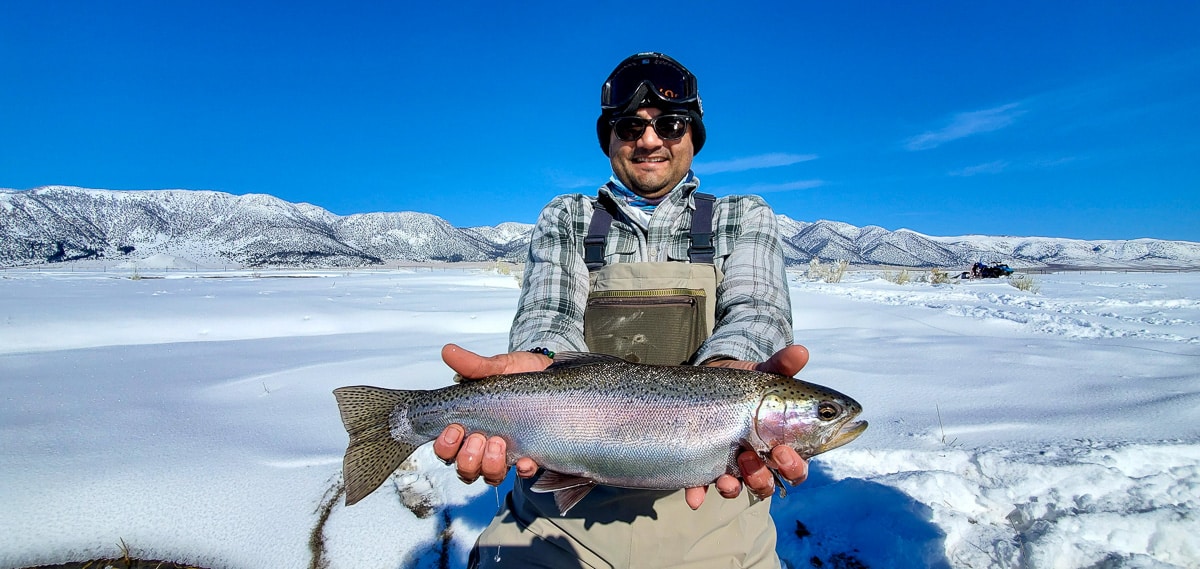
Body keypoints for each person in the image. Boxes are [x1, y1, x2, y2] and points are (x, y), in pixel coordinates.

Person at [434, 52, 810, 568]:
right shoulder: (568, 217)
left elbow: (757, 314)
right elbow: (549, 316)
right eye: (630, 126)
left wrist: (725, 377)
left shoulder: (741, 217)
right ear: (609, 138)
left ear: (693, 135)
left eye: (671, 125)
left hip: (715, 515)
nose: (650, 140)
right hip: (556, 520)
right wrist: (545, 359)